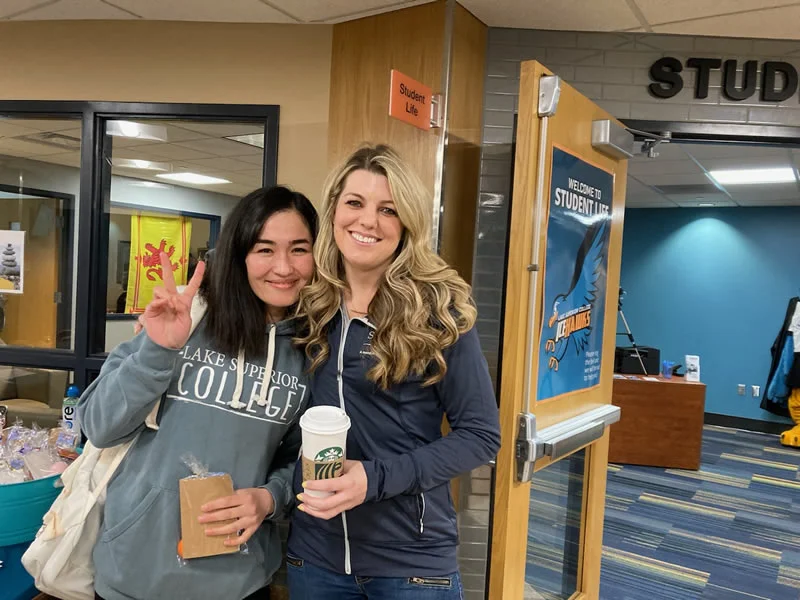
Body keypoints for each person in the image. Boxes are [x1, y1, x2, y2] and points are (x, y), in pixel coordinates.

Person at [77, 186, 318, 600]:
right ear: (239, 255)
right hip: (135, 577)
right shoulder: (187, 318)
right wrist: (158, 350)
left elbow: (297, 458)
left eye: (299, 249)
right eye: (264, 250)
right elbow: (98, 425)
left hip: (239, 581)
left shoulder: (311, 351)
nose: (283, 267)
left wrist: (269, 497)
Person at [288, 144, 501, 599]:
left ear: (406, 224)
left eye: (388, 209)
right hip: (314, 556)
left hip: (410, 564)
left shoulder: (437, 311)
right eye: (355, 203)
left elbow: (482, 436)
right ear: (333, 211)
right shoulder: (308, 307)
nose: (368, 221)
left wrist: (374, 478)